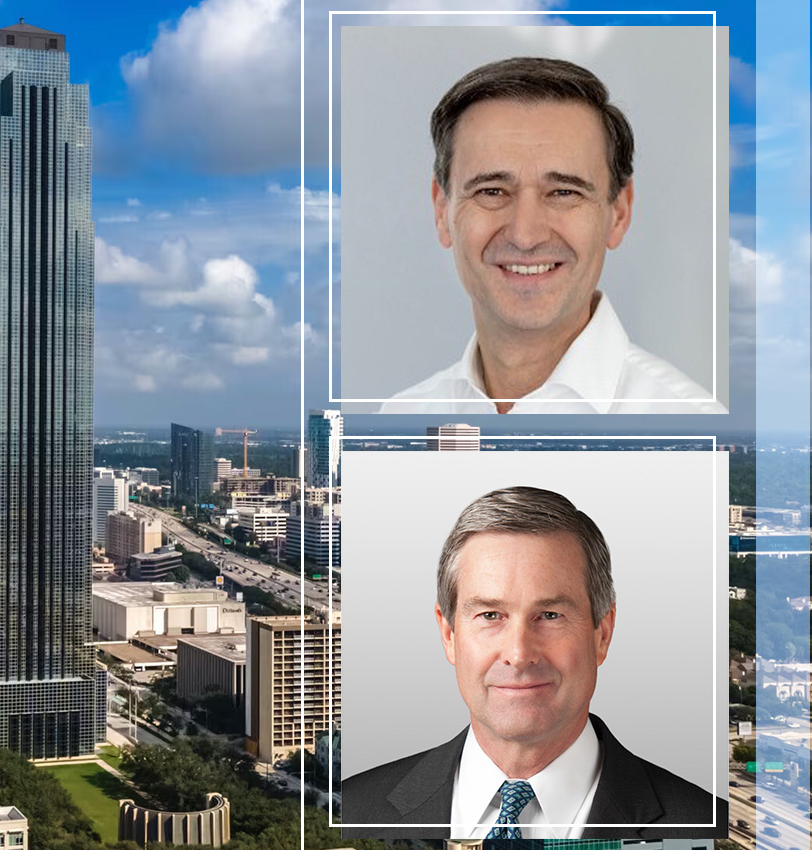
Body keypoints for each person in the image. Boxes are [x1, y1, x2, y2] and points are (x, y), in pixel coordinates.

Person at [341, 487, 726, 839]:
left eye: (551, 615)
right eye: (490, 615)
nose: (519, 653)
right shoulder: (355, 811)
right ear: (449, 635)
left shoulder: (703, 825)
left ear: (602, 634)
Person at [380, 57, 724, 414]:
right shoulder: (400, 420)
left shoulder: (693, 435)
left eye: (564, 192)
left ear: (619, 213)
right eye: (492, 191)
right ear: (442, 211)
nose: (525, 235)